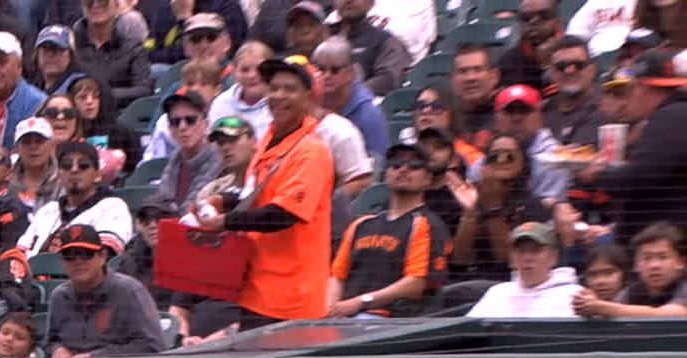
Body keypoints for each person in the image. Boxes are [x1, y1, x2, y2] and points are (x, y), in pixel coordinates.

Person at [195, 54, 332, 328]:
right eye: (274, 87)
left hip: (292, 299)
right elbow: (257, 195)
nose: (279, 95)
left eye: (290, 89)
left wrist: (224, 221)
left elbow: (281, 214)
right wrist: (223, 200)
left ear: (308, 95)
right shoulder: (269, 138)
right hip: (256, 288)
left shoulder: (311, 151)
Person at [327, 142, 450, 318]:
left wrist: (360, 302)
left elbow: (415, 284)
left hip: (391, 320)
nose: (403, 169)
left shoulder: (426, 223)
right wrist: (331, 307)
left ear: (428, 178)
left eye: (414, 165)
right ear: (386, 174)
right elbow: (337, 276)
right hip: (347, 316)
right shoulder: (361, 224)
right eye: (396, 165)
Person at [592, 47, 687, 248]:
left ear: (644, 88)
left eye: (630, 90)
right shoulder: (673, 114)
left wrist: (598, 174)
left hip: (667, 243)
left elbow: (639, 178)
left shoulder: (672, 117)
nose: (628, 99)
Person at [45, 224, 162, 358]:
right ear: (62, 262)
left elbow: (152, 347)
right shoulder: (59, 297)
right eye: (69, 256)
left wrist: (95, 357)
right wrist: (57, 349)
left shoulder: (130, 291)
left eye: (86, 254)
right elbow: (50, 342)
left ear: (102, 256)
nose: (78, 261)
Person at [446, 133, 551, 282]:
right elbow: (459, 258)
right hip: (466, 281)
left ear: (522, 163)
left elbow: (508, 259)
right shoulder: (468, 193)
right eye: (494, 156)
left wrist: (493, 206)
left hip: (509, 281)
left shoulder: (532, 204)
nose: (501, 160)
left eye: (510, 156)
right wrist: (470, 211)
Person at [16, 140, 133, 255]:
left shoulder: (113, 207)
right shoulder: (47, 211)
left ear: (97, 175)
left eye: (83, 165)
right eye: (66, 165)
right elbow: (20, 255)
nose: (74, 169)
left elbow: (103, 256)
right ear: (59, 175)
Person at [467, 221, 583, 318]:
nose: (527, 257)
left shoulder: (574, 295)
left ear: (553, 257)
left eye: (535, 250)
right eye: (521, 251)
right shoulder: (497, 293)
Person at [572, 221, 687, 318]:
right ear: (636, 265)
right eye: (646, 258)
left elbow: (673, 314)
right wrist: (588, 303)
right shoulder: (631, 292)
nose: (654, 265)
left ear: (681, 262)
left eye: (663, 257)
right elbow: (610, 312)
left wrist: (601, 307)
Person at [148, 89, 222, 211]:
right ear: (170, 128)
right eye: (175, 122)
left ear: (205, 124)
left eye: (190, 120)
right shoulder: (176, 158)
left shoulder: (217, 156)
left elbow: (192, 207)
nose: (182, 127)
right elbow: (161, 200)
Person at [70, 0, 151, 110]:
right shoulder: (70, 47)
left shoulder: (133, 49)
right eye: (89, 1)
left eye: (104, 1)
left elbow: (143, 90)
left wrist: (99, 94)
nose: (96, 4)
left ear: (117, 5)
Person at [313, 37, 388, 156]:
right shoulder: (309, 102)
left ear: (350, 73)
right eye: (321, 69)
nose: (326, 76)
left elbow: (378, 160)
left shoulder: (368, 113)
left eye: (335, 70)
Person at [332, 0, 411, 96]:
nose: (348, 1)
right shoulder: (321, 34)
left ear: (371, 2)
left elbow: (389, 78)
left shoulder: (384, 40)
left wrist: (349, 93)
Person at [206, 41, 274, 144]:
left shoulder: (280, 102)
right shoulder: (221, 103)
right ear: (234, 72)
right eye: (244, 70)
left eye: (260, 69)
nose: (252, 75)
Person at [501, 0, 566, 91]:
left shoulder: (573, 53)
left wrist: (547, 67)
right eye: (526, 18)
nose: (533, 21)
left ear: (558, 22)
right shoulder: (509, 61)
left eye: (544, 15)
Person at [9, 117, 60, 211]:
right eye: (26, 142)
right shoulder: (6, 181)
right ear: (17, 148)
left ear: (52, 145)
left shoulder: (63, 180)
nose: (33, 147)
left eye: (39, 141)